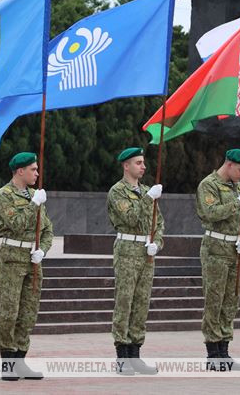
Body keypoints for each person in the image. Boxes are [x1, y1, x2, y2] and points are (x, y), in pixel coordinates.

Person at [0, 152, 54, 380]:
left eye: (37, 169)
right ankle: (7, 361)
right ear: (20, 171)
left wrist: (42, 250)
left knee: (28, 313)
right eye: (33, 169)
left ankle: (20, 359)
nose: (37, 173)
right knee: (10, 312)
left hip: (33, 260)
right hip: (12, 258)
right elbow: (16, 223)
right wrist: (33, 205)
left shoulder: (35, 195)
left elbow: (47, 230)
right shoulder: (4, 195)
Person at [107, 147, 165, 376]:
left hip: (146, 252)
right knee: (125, 302)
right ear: (126, 166)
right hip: (127, 250)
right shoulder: (117, 191)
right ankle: (122, 356)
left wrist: (156, 243)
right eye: (138, 163)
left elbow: (159, 223)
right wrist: (148, 199)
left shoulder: (148, 191)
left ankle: (135, 353)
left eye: (143, 162)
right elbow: (130, 218)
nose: (143, 166)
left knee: (142, 303)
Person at [195, 148, 240, 371]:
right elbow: (210, 213)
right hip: (215, 249)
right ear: (229, 165)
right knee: (215, 300)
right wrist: (237, 203)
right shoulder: (208, 185)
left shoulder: (239, 188)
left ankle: (224, 351)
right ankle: (213, 354)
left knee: (231, 300)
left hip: (235, 250)